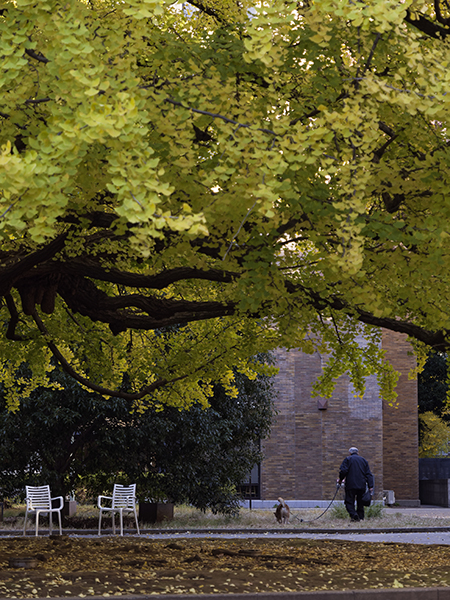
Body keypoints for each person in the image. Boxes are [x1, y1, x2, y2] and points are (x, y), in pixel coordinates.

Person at [337, 446, 374, 522]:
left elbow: (343, 471)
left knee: (349, 501)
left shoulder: (348, 459)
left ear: (350, 453)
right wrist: (371, 486)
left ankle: (354, 515)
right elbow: (369, 474)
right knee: (360, 502)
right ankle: (360, 517)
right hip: (362, 485)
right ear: (358, 453)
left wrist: (340, 480)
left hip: (351, 484)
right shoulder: (364, 461)